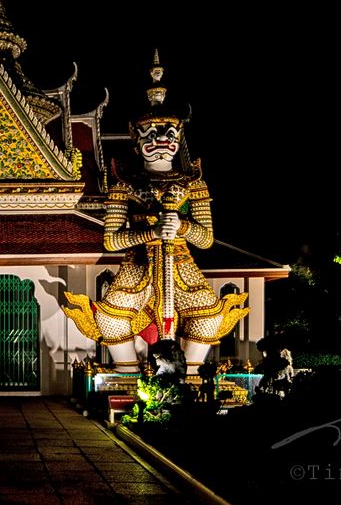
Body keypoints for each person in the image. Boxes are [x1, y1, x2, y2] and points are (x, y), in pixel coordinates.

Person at [64, 52, 248, 374]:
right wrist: (151, 232)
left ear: (178, 140)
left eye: (169, 135)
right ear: (136, 141)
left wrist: (182, 226)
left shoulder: (194, 184)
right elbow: (111, 241)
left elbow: (206, 240)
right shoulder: (125, 184)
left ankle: (189, 374)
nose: (161, 140)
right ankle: (128, 373)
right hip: (139, 261)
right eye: (151, 135)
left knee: (207, 315)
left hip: (180, 260)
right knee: (110, 319)